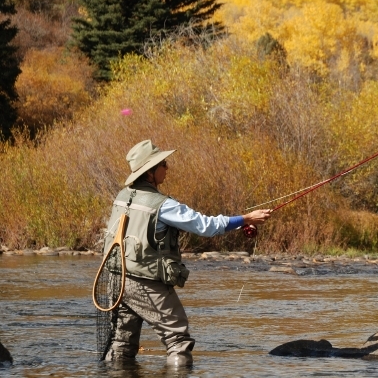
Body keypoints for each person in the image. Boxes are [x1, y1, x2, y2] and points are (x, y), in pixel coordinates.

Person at [102, 140, 272, 366]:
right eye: (163, 163)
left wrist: (240, 222)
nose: (167, 168)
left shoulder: (122, 196)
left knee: (121, 344)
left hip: (116, 279)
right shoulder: (162, 205)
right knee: (178, 339)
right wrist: (246, 218)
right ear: (150, 172)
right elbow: (205, 226)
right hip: (144, 282)